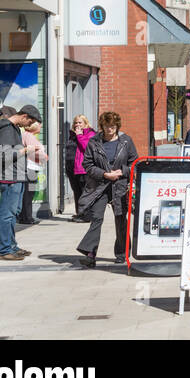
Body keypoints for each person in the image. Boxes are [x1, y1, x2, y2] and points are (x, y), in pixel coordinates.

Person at [76, 111, 139, 267]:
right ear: (101, 126)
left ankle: (121, 253)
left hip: (120, 186)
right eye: (106, 126)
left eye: (113, 126)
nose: (110, 129)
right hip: (99, 185)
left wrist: (122, 171)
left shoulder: (126, 141)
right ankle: (90, 254)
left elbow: (135, 162)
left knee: (120, 220)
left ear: (117, 126)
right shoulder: (94, 142)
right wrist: (104, 174)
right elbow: (88, 165)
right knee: (96, 218)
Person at [0, 106, 38, 260]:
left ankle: (11, 246)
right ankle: (4, 250)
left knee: (13, 214)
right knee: (7, 214)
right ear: (24, 116)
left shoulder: (13, 128)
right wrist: (25, 150)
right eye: (30, 121)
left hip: (16, 176)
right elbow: (3, 156)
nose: (29, 125)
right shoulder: (6, 130)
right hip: (10, 177)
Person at [18, 118, 48, 224]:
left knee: (27, 193)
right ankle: (27, 217)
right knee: (29, 194)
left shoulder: (27, 135)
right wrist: (44, 156)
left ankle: (24, 216)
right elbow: (33, 151)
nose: (41, 126)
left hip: (30, 167)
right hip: (30, 168)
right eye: (39, 124)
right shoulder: (29, 136)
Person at [66, 115, 95, 220]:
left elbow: (87, 148)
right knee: (76, 191)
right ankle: (80, 213)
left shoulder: (91, 134)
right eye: (76, 123)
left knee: (84, 192)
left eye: (80, 122)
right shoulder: (73, 135)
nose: (77, 125)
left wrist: (79, 136)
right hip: (72, 168)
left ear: (85, 123)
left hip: (83, 169)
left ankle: (87, 215)